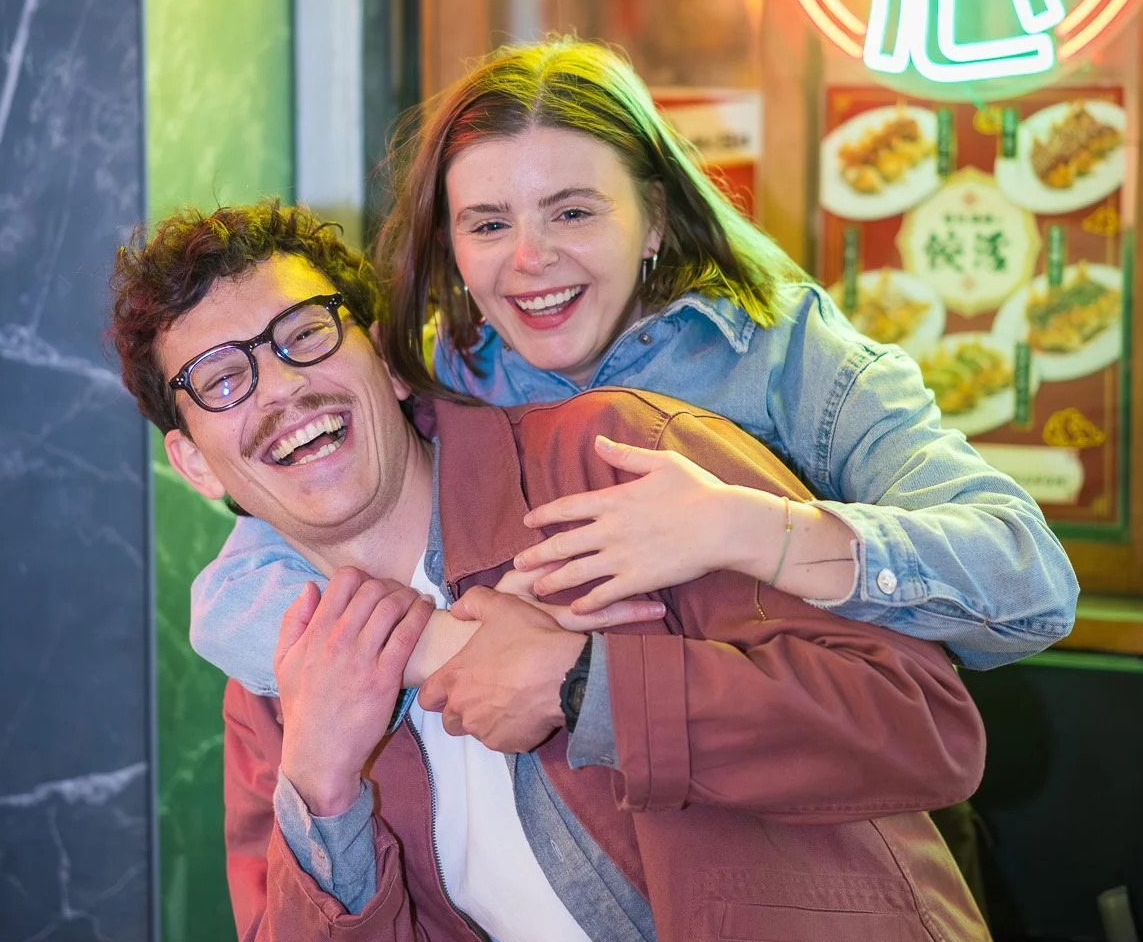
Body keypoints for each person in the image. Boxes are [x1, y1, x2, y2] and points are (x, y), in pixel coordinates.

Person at [109, 201, 1052, 942]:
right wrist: (320, 782)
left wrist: (584, 688)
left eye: (305, 333)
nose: (278, 388)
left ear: (381, 350)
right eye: (218, 377)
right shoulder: (280, 673)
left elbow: (922, 724)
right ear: (189, 457)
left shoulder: (612, 456)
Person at [190, 38, 1076, 703]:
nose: (529, 260)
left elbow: (1028, 585)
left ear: (652, 217)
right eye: (488, 224)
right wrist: (459, 655)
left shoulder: (784, 354)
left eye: (572, 211)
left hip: (818, 848)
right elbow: (232, 598)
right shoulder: (434, 373)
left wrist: (743, 529)